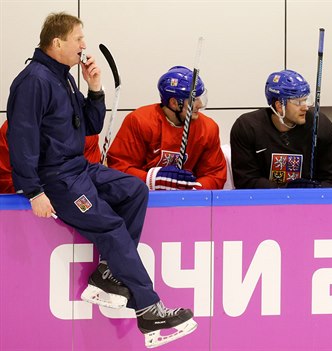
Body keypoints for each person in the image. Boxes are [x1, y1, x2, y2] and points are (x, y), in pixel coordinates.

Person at [6, 12, 196, 348]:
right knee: (110, 226)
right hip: (56, 181)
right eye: (78, 38)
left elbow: (91, 125)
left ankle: (108, 274)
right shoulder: (34, 81)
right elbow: (21, 139)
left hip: (79, 168)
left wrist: (94, 87)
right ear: (57, 43)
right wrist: (33, 190)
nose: (83, 45)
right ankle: (149, 307)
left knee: (135, 190)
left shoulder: (61, 77)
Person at [107, 66, 226, 190]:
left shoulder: (208, 128)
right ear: (174, 103)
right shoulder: (139, 121)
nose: (200, 105)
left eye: (200, 98)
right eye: (193, 100)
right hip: (143, 198)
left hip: (188, 204)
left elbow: (215, 173)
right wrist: (152, 180)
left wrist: (193, 190)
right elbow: (118, 167)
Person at [230, 69, 332, 189]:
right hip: (263, 203)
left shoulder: (320, 125)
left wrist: (311, 192)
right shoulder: (247, 127)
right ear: (279, 106)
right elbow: (245, 180)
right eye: (298, 102)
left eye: (306, 100)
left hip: (309, 202)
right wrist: (285, 192)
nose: (305, 107)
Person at [0, 120, 101, 193]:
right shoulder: (11, 130)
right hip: (25, 204)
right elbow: (4, 180)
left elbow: (90, 177)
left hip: (73, 200)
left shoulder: (85, 131)